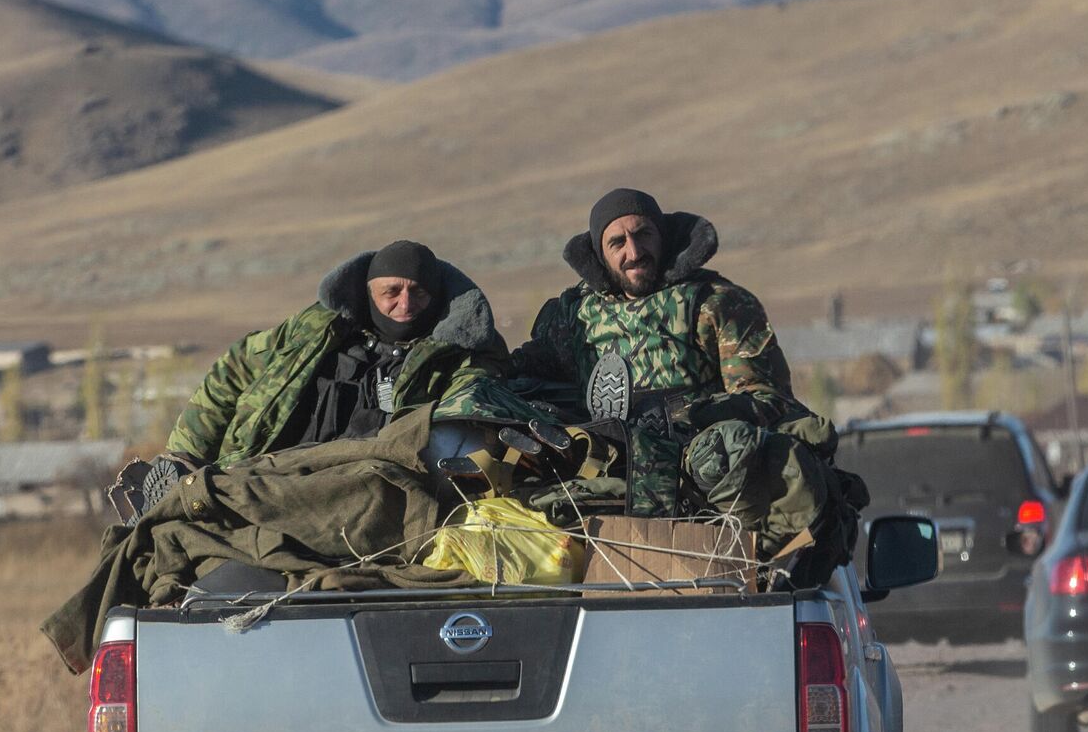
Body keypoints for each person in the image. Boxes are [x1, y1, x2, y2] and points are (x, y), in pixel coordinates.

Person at [514, 189, 808, 515]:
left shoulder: (716, 303)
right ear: (599, 253)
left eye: (643, 235)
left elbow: (769, 401)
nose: (634, 251)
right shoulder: (574, 317)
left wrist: (692, 420)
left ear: (663, 237)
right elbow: (522, 375)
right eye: (618, 243)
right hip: (605, 481)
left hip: (702, 485)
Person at [165, 240, 508, 469]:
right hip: (264, 471)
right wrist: (186, 456)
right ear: (368, 291)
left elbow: (473, 395)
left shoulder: (462, 353)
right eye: (391, 292)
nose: (404, 304)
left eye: (418, 293)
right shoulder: (315, 329)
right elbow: (236, 367)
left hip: (370, 485)